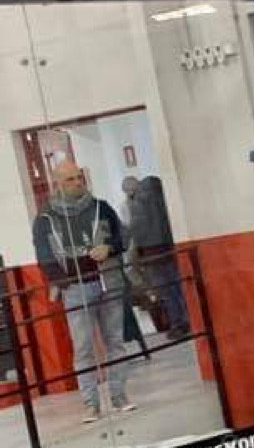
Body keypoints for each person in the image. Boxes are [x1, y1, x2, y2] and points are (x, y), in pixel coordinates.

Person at [32, 161, 137, 422]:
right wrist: (65, 283)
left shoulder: (102, 208)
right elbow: (45, 258)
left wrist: (109, 249)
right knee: (83, 348)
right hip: (76, 289)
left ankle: (119, 396)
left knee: (115, 342)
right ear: (57, 184)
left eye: (79, 177)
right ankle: (91, 404)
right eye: (70, 179)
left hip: (108, 281)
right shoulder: (46, 219)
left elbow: (123, 238)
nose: (78, 182)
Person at [126, 174, 192, 341]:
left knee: (166, 292)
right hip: (171, 250)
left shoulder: (136, 204)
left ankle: (177, 324)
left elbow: (134, 232)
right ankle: (190, 319)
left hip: (151, 257)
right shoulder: (165, 198)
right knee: (181, 287)